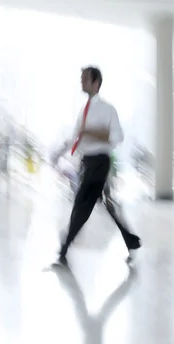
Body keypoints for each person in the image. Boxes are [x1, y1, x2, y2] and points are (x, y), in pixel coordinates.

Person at [58, 66, 141, 265]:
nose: (81, 81)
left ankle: (64, 247)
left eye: (85, 78)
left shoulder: (107, 109)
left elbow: (117, 137)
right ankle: (131, 240)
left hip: (100, 163)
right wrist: (58, 153)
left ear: (96, 83)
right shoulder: (83, 110)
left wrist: (93, 133)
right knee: (105, 204)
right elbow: (77, 137)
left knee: (82, 203)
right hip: (86, 162)